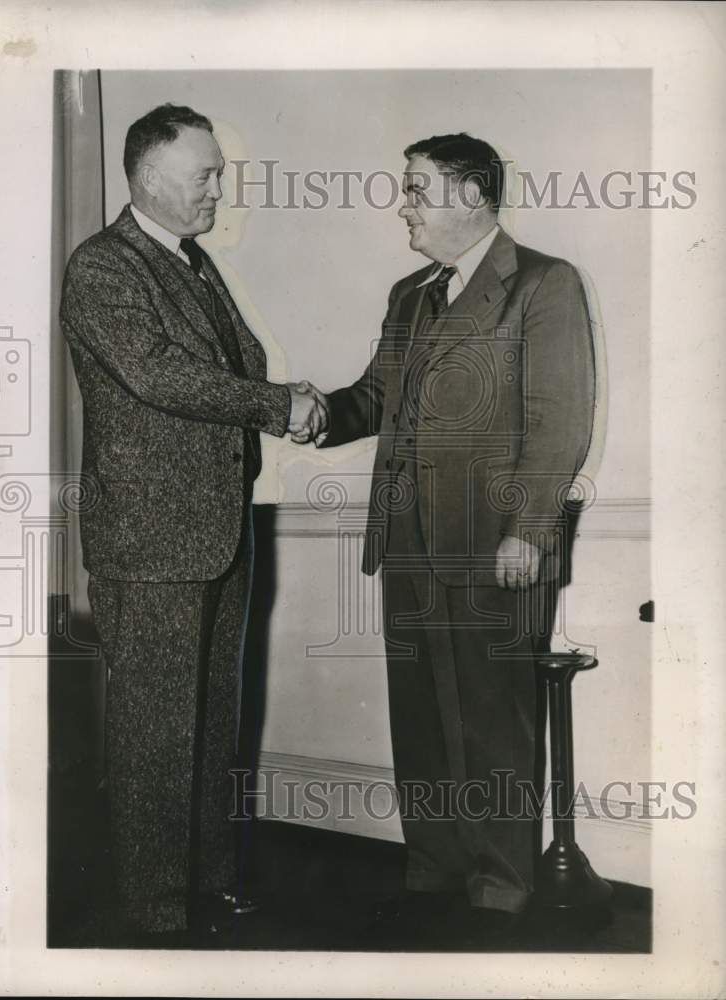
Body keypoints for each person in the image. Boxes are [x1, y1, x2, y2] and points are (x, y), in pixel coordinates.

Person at [298, 133, 595, 936]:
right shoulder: (409, 295)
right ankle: (431, 873)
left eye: (417, 190)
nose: (404, 205)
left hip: (493, 545)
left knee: (493, 722)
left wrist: (527, 531)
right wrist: (315, 412)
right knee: (421, 720)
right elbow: (373, 397)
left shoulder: (542, 284)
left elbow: (558, 420)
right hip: (405, 542)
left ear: (470, 195)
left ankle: (501, 890)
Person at [60, 103, 324, 940]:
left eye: (218, 170)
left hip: (214, 529)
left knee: (211, 722)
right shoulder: (104, 265)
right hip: (150, 542)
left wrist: (280, 401)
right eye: (204, 172)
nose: (219, 185)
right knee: (154, 735)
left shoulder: (189, 261)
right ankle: (152, 909)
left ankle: (206, 885)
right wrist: (280, 406)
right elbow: (159, 374)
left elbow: (230, 364)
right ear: (146, 176)